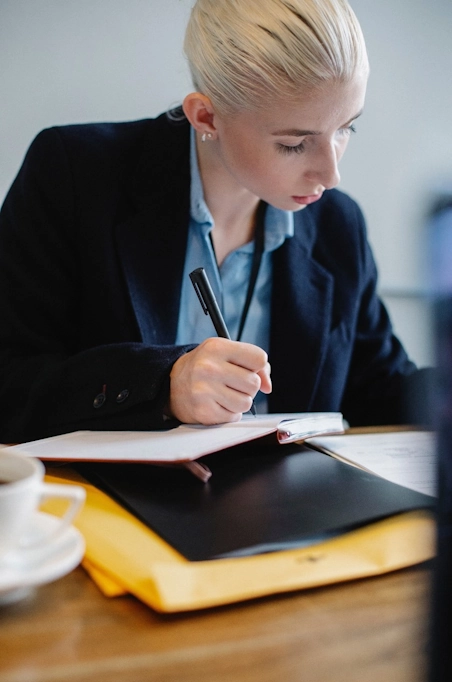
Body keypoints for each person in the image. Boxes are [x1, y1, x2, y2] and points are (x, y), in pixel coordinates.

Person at [0, 0, 428, 443]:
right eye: (294, 144)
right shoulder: (74, 174)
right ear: (206, 116)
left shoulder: (339, 225)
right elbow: (10, 382)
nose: (331, 174)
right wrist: (164, 384)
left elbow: (379, 387)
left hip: (291, 508)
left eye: (346, 129)